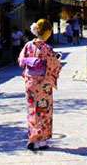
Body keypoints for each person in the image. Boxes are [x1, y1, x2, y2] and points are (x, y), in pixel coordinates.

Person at [17, 19, 62, 151]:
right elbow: (54, 65)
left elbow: (21, 61)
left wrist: (30, 62)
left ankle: (33, 139)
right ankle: (42, 141)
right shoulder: (47, 48)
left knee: (32, 110)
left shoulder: (28, 45)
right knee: (44, 110)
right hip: (43, 83)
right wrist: (57, 61)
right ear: (47, 32)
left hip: (30, 82)